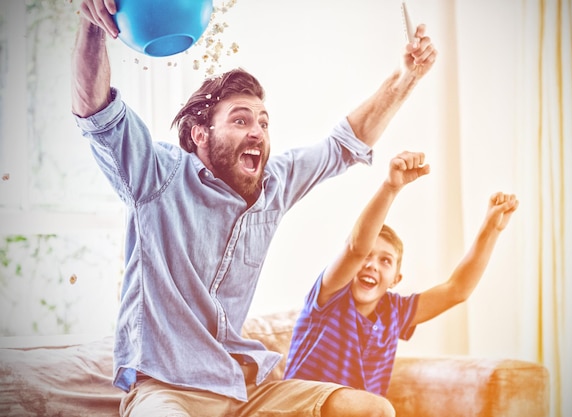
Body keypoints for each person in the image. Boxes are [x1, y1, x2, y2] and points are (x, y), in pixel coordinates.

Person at [70, 1, 437, 416]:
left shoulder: (274, 185)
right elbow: (97, 112)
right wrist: (92, 23)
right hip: (165, 391)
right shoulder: (158, 177)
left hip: (244, 391)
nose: (259, 132)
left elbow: (343, 144)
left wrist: (407, 77)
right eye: (241, 120)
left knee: (372, 410)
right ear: (200, 134)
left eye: (264, 122)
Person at [283, 151, 519, 397]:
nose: (372, 265)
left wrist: (491, 228)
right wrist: (390, 187)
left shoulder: (395, 312)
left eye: (385, 260)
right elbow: (355, 248)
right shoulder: (329, 297)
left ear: (396, 279)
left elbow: (457, 290)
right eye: (366, 256)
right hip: (305, 408)